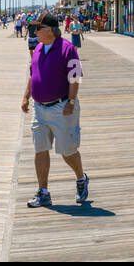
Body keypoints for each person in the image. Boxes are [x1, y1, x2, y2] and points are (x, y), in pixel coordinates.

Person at [22, 14, 89, 208]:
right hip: (39, 109)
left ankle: (81, 178)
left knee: (68, 151)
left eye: (38, 28)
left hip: (62, 107)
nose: (35, 32)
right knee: (40, 150)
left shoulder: (68, 49)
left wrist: (71, 101)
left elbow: (75, 77)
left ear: (50, 29)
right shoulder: (37, 49)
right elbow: (32, 74)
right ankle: (43, 192)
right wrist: (26, 96)